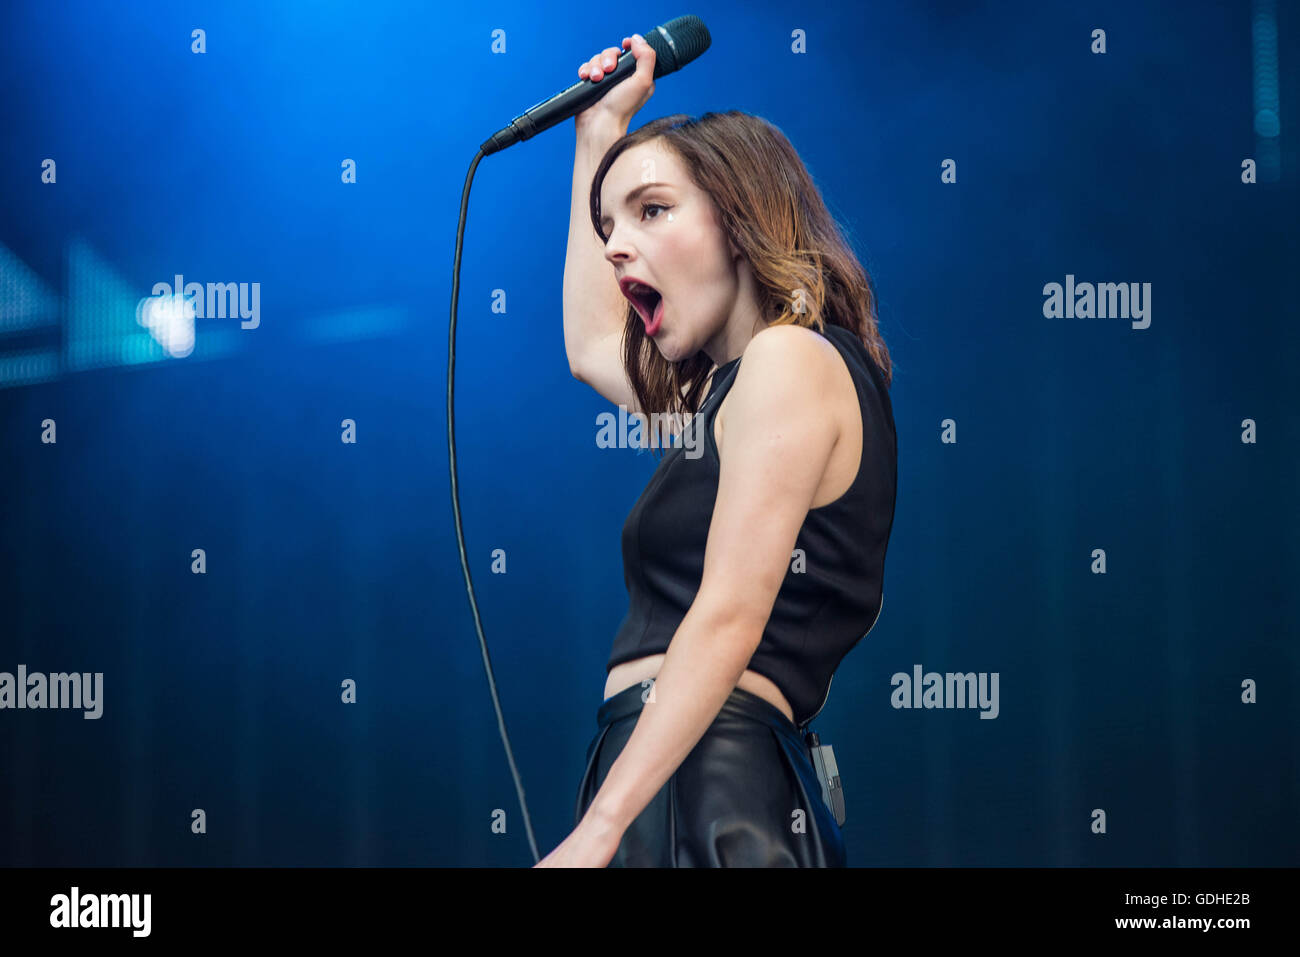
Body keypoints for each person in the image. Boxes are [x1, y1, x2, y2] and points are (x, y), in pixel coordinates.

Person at [535, 34, 897, 867]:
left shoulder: (790, 360)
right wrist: (600, 129)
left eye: (651, 211)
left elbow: (730, 612)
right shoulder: (737, 391)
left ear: (738, 223)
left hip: (710, 776)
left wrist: (600, 829)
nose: (617, 244)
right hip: (673, 771)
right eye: (607, 225)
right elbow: (595, 348)